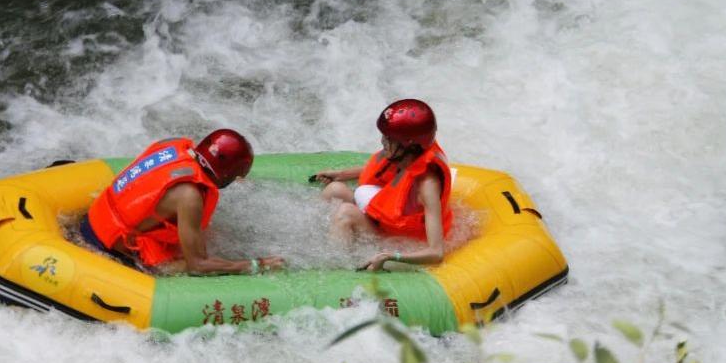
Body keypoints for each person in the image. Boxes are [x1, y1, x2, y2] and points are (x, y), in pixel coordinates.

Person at [81, 129, 286, 275]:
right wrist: (256, 264)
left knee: (209, 233)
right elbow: (198, 265)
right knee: (181, 265)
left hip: (92, 218)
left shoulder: (171, 144)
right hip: (104, 245)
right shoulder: (189, 197)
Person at [311, 99, 453, 272]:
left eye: (388, 139)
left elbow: (436, 253)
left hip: (400, 238)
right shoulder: (408, 155)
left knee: (345, 213)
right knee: (335, 189)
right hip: (386, 217)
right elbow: (386, 171)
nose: (382, 142)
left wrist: (390, 256)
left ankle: (335, 269)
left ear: (409, 145)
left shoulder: (427, 186)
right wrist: (342, 174)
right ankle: (315, 238)